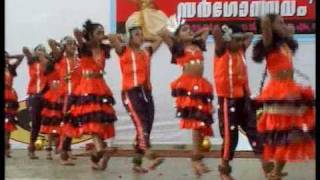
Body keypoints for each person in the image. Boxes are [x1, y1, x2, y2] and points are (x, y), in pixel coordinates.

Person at [252, 13, 315, 180]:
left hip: (291, 91)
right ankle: (272, 170)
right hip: (277, 92)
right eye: (280, 22)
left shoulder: (285, 44)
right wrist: (268, 19)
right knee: (281, 133)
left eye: (284, 22)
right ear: (271, 27)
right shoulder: (269, 43)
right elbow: (265, 24)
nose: (284, 24)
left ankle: (276, 172)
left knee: (290, 133)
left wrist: (285, 29)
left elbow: (287, 33)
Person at [212, 24, 275, 180]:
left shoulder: (241, 50)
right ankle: (224, 171)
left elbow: (251, 35)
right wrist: (226, 34)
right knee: (230, 136)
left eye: (241, 40)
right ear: (227, 40)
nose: (240, 43)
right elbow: (215, 31)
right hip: (228, 101)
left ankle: (268, 170)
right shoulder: (221, 51)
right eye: (236, 40)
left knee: (255, 132)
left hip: (244, 99)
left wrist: (239, 36)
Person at [108, 18, 164, 174]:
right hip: (130, 92)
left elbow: (160, 39)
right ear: (130, 37)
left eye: (141, 34)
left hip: (146, 93)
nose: (140, 37)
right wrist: (124, 38)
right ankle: (150, 156)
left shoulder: (146, 52)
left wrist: (145, 37)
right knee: (141, 125)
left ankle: (136, 163)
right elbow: (111, 37)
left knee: (147, 125)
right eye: (137, 35)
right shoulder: (123, 51)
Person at [159, 19, 214, 176]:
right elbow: (162, 33)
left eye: (190, 29)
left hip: (201, 86)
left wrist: (191, 35)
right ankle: (196, 159)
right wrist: (178, 37)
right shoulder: (178, 48)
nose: (189, 31)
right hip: (188, 86)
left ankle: (196, 159)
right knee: (196, 123)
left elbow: (206, 29)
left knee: (201, 122)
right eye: (185, 29)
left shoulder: (198, 45)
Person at [61, 20, 117, 170]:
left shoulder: (105, 48)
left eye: (102, 32)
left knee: (100, 120)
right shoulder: (84, 48)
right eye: (98, 33)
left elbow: (118, 41)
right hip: (87, 87)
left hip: (100, 87)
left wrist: (110, 37)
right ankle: (96, 150)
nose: (101, 35)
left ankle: (97, 154)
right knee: (90, 120)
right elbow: (78, 36)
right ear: (91, 35)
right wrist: (81, 37)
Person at [48, 37, 80, 165]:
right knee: (66, 124)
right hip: (67, 96)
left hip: (79, 96)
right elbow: (51, 42)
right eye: (70, 44)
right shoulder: (61, 60)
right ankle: (62, 154)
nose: (73, 46)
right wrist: (60, 45)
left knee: (72, 125)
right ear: (65, 47)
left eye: (74, 44)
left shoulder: (79, 60)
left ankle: (67, 150)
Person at [23, 45, 49, 159]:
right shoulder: (31, 63)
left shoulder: (48, 63)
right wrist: (29, 52)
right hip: (35, 96)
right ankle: (31, 148)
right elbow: (25, 50)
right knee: (35, 123)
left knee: (52, 121)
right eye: (39, 50)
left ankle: (55, 150)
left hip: (48, 96)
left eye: (43, 50)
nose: (41, 52)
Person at [4, 52, 24, 158]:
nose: (6, 59)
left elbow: (21, 57)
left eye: (7, 57)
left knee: (8, 123)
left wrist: (10, 57)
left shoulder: (10, 68)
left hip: (10, 96)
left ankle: (6, 149)